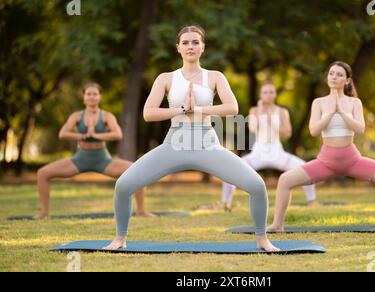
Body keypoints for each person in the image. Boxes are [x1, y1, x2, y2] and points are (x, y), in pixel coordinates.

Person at [104, 26, 280, 251]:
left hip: (207, 144)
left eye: (195, 42)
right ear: (178, 47)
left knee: (256, 185)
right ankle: (120, 238)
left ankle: (262, 239)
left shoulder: (214, 76)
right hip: (173, 144)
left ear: (203, 47)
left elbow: (232, 108)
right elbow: (148, 113)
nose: (190, 46)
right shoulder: (166, 78)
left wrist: (199, 109)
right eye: (185, 42)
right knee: (124, 185)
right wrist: (181, 108)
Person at [267, 61, 375, 232]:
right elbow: (314, 130)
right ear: (327, 77)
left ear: (347, 80)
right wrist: (331, 113)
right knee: (285, 180)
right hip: (325, 161)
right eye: (331, 73)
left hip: (352, 160)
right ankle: (277, 225)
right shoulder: (319, 103)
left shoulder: (354, 103)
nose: (334, 77)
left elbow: (360, 128)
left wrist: (341, 112)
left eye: (339, 74)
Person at [35, 83, 152, 219]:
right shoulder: (77, 116)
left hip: (102, 160)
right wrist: (83, 136)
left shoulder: (107, 116)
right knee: (42, 173)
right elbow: (62, 134)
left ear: (100, 97)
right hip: (80, 159)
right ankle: (44, 213)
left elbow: (118, 134)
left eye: (95, 94)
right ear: (84, 97)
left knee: (137, 170)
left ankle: (141, 210)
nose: (91, 97)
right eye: (88, 94)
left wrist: (96, 136)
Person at [221, 81, 318, 211]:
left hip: (277, 154)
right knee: (230, 172)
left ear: (275, 94)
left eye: (271, 92)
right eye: (265, 92)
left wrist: (270, 120)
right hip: (258, 154)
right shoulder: (254, 110)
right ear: (261, 95)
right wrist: (261, 111)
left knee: (306, 170)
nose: (268, 95)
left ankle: (312, 201)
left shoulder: (282, 111)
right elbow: (253, 128)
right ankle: (225, 203)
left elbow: (287, 133)